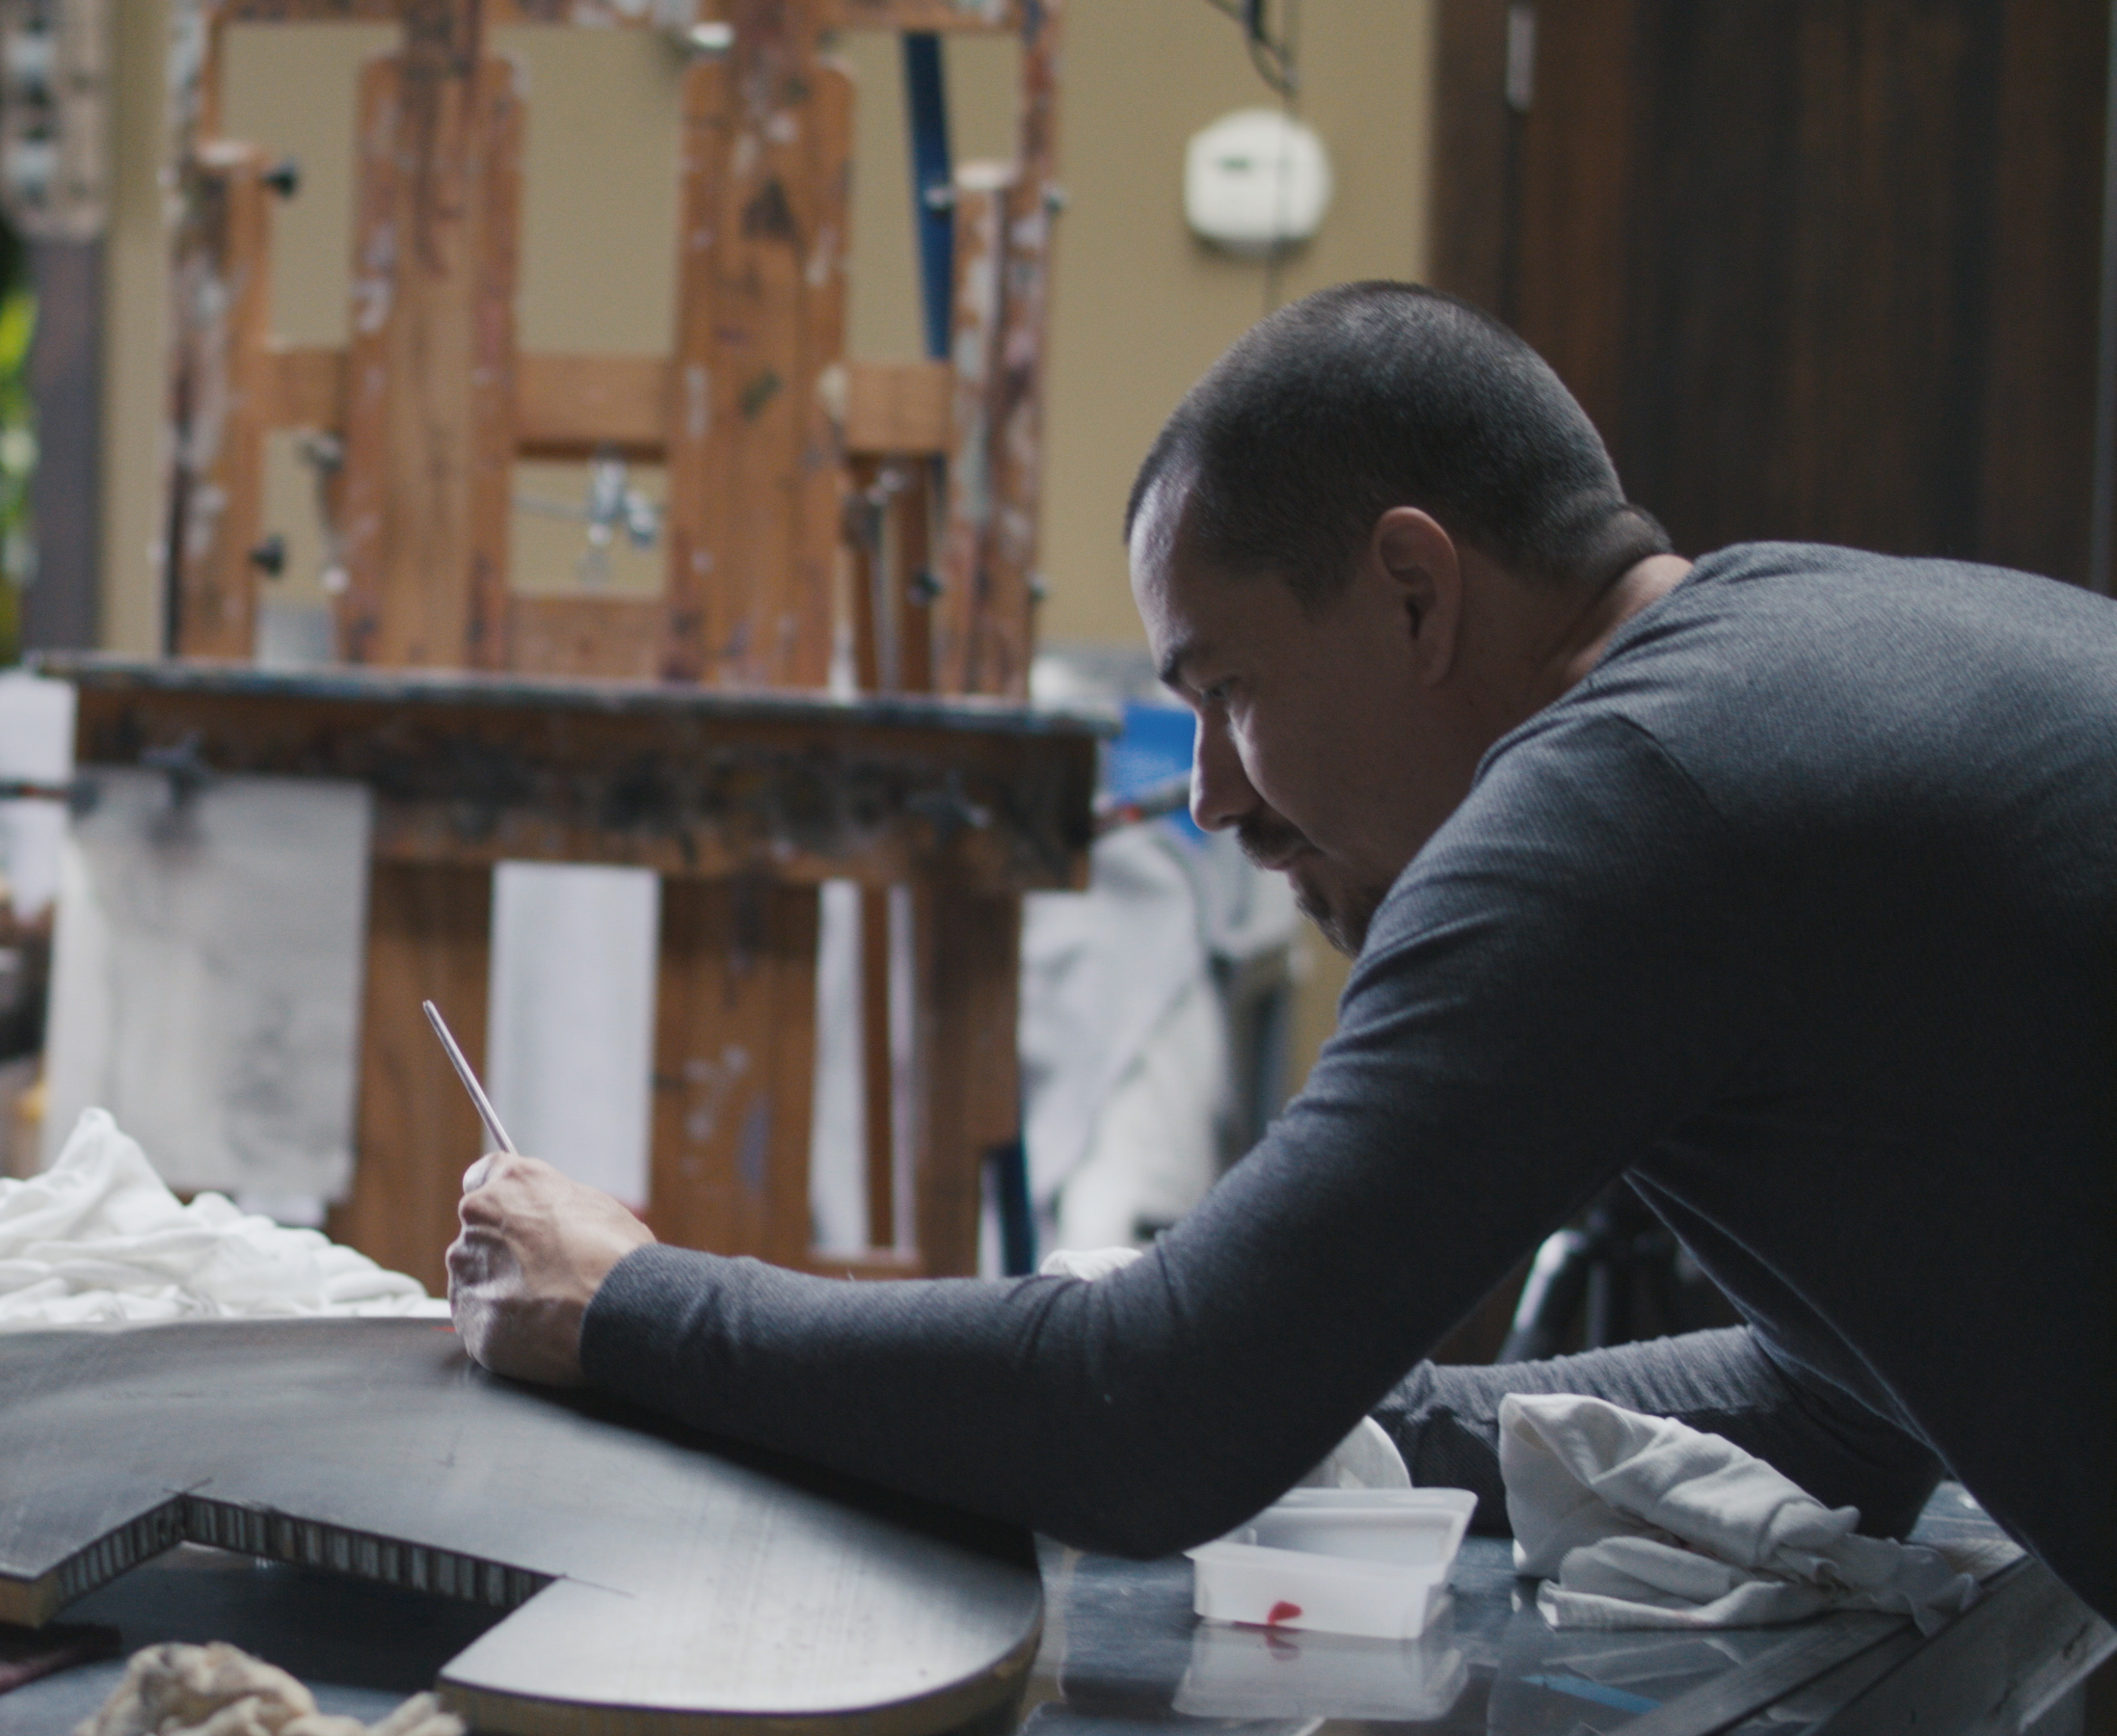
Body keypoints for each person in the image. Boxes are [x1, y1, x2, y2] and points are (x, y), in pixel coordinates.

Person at [447, 281, 2114, 1628]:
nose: (1211, 796)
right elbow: (1836, 1403)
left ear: (1412, 592)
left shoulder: (1623, 797)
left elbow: (1154, 1420)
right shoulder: (1835, 653)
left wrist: (629, 1306)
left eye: (1225, 687)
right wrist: (1339, 1400)